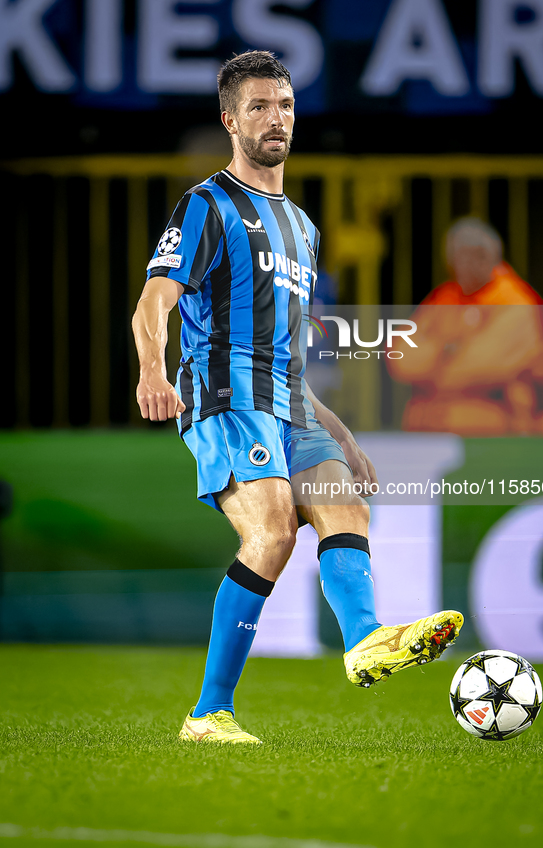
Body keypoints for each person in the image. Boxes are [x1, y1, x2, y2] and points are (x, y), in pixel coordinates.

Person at [132, 51, 463, 745]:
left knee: (344, 505)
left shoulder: (305, 231)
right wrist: (152, 372)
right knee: (274, 530)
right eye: (257, 106)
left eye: (282, 104)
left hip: (290, 399)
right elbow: (151, 304)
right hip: (225, 391)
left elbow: (290, 355)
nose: (274, 117)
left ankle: (366, 640)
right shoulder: (205, 205)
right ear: (230, 119)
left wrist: (341, 434)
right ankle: (207, 713)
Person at [388, 217, 543, 436]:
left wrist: (432, 365)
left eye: (476, 255)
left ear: (491, 256)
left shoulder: (516, 301)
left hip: (501, 435)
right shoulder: (445, 296)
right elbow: (400, 358)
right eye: (459, 256)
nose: (465, 263)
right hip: (430, 431)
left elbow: (484, 366)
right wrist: (447, 348)